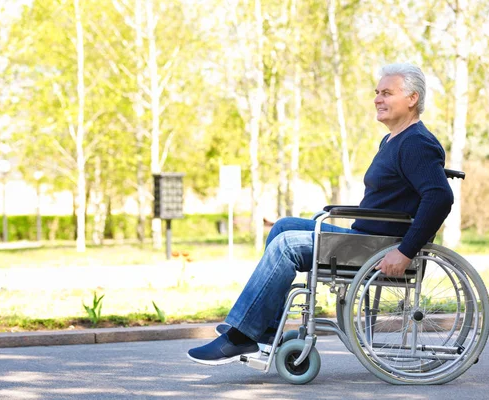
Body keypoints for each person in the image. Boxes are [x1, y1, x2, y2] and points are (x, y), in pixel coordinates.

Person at [187, 63, 454, 365]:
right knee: (284, 227)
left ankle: (239, 337)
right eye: (377, 93)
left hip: (380, 248)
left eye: (387, 93)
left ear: (412, 98)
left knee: (287, 246)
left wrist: (405, 251)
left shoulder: (416, 142)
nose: (378, 99)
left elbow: (439, 197)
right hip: (367, 239)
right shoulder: (393, 140)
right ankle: (263, 332)